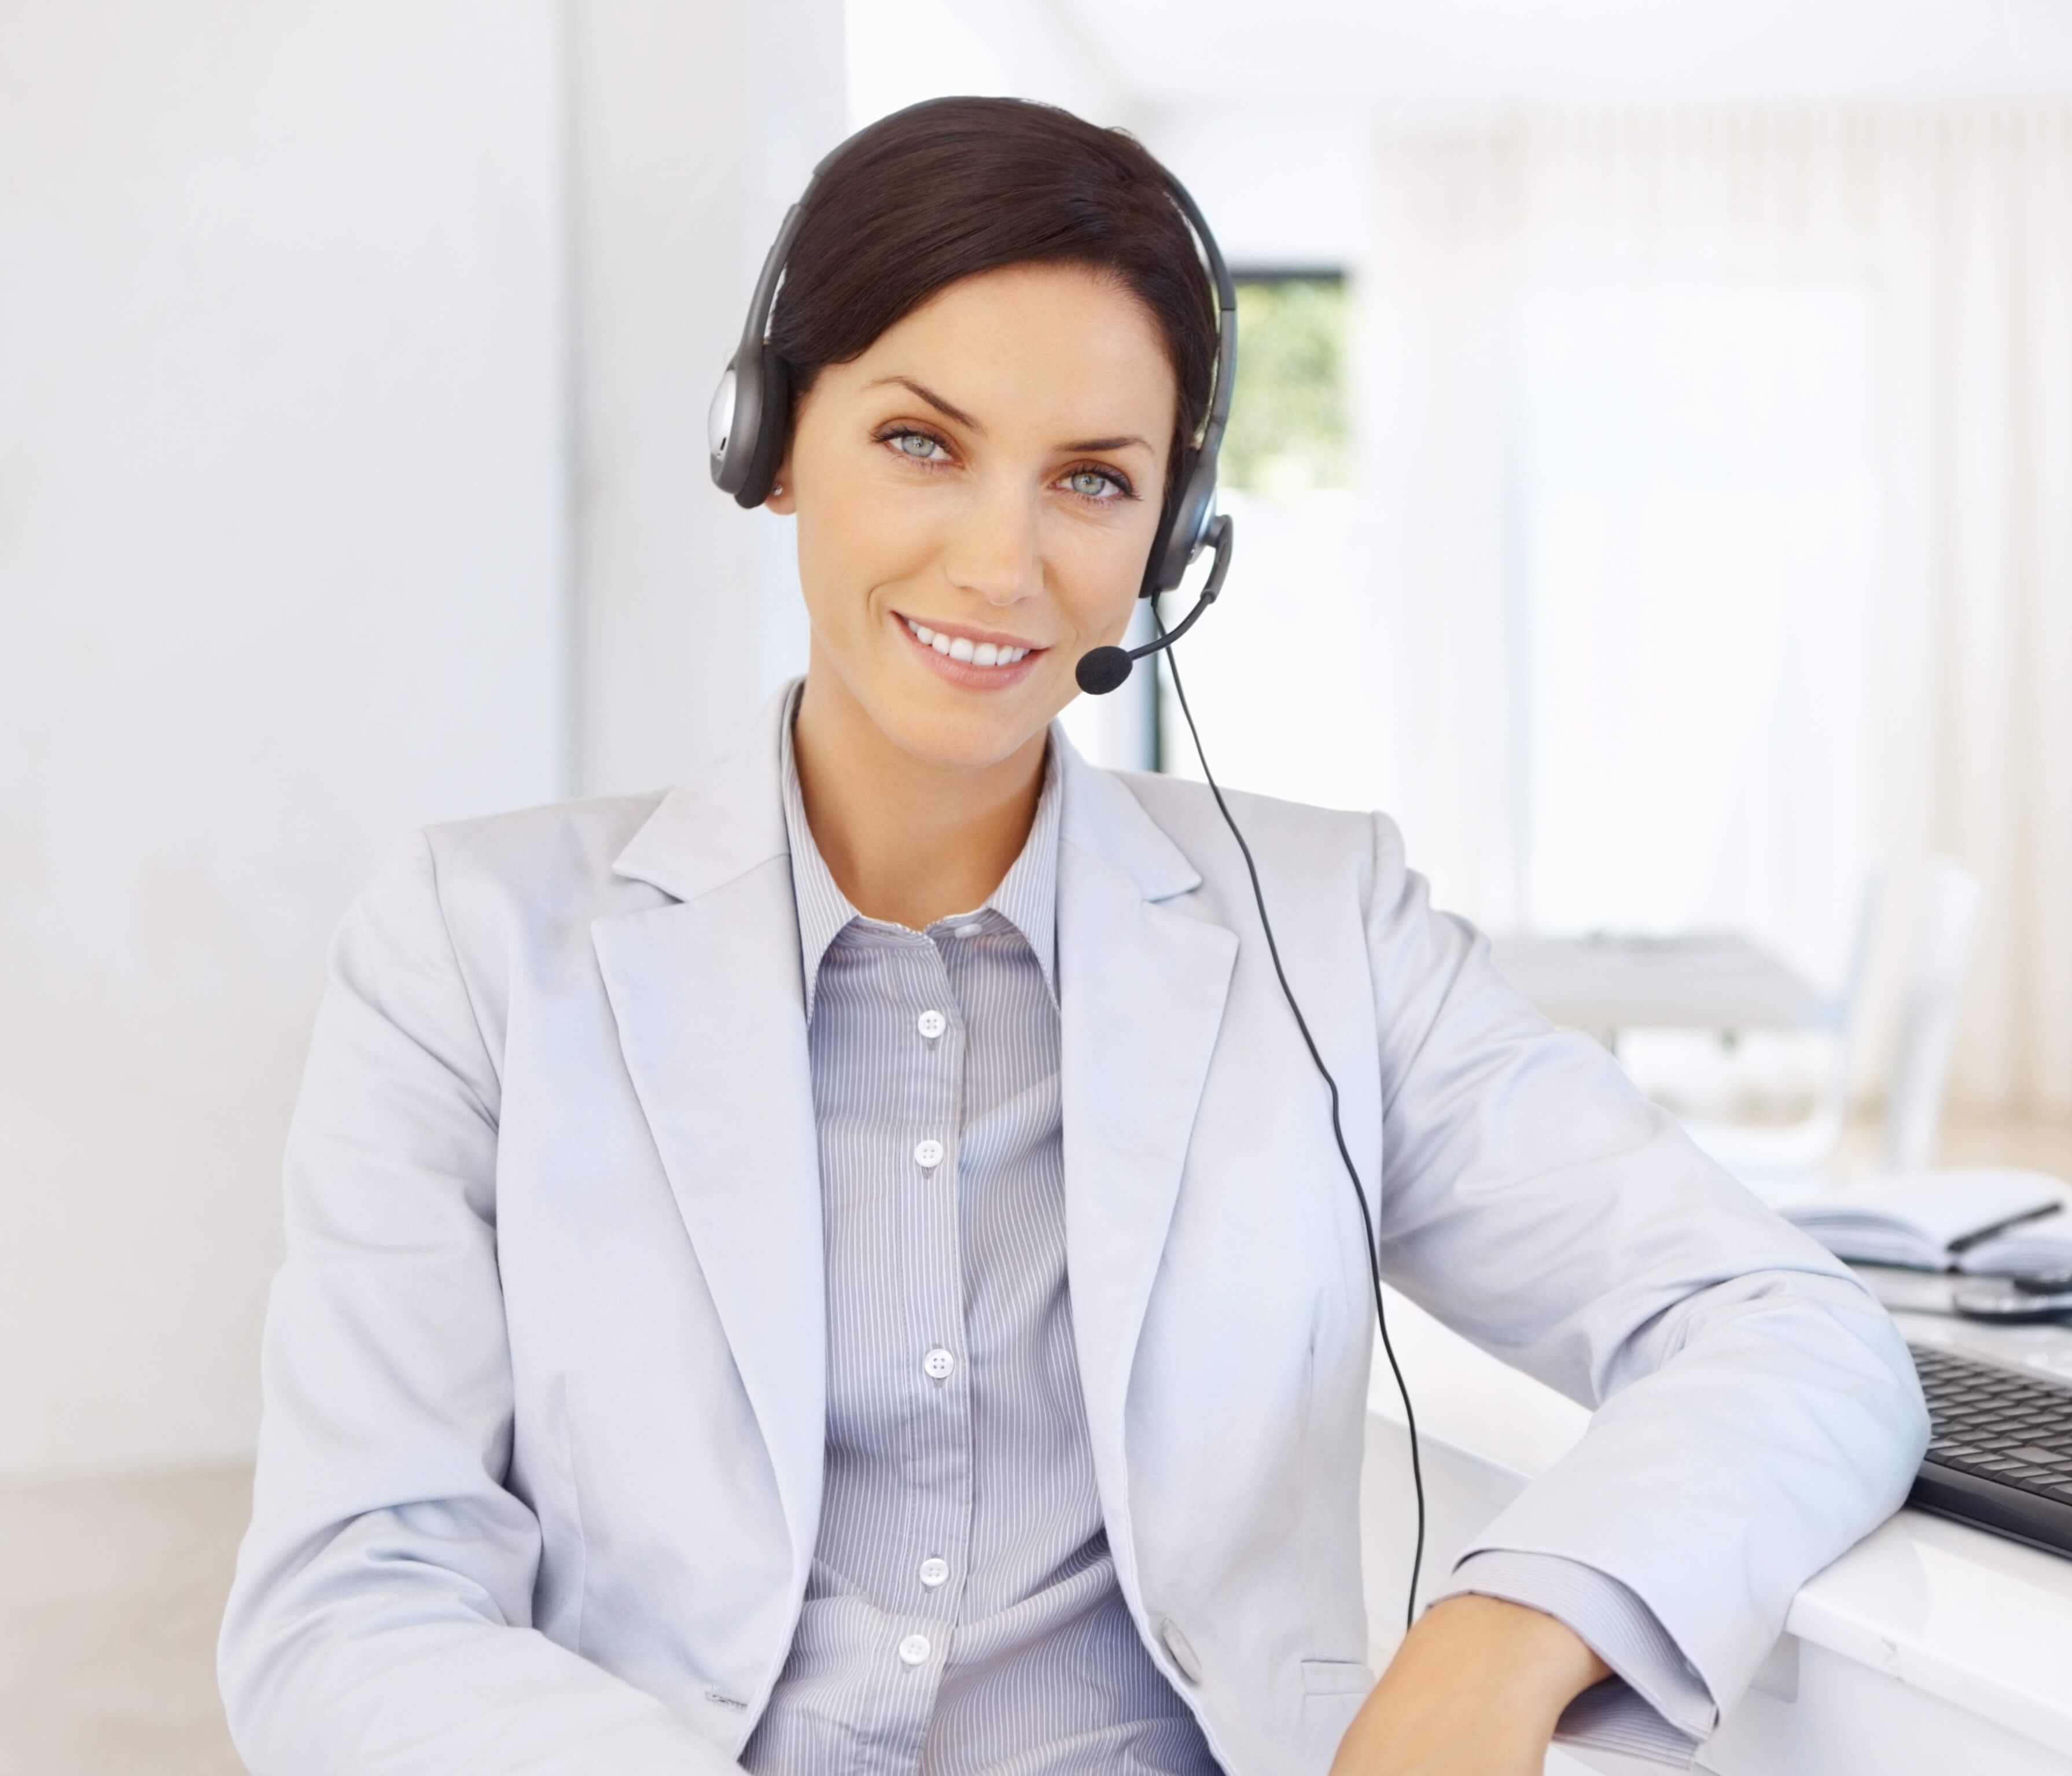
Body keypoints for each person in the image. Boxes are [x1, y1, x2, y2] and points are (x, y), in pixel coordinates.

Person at [215, 98, 1925, 1776]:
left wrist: (1510, 1630)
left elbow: (1787, 1326)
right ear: (772, 447)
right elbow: (352, 1599)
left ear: (1171, 544)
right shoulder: (473, 947)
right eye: (918, 443)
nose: (1002, 562)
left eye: (1094, 482)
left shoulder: (1330, 932)